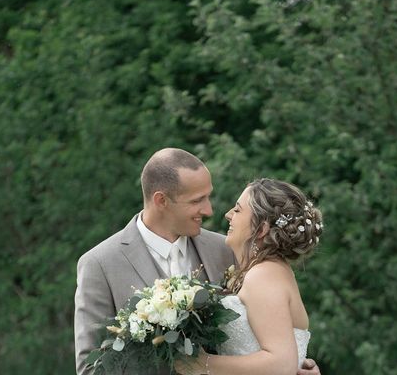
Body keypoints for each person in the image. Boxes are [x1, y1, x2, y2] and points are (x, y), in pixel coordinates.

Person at [74, 148, 321, 375]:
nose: (210, 211)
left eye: (208, 197)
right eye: (196, 200)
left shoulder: (227, 250)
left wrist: (297, 366)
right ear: (161, 200)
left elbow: (272, 333)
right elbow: (91, 368)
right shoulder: (100, 264)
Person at [175, 177, 324, 375]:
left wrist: (204, 364)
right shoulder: (267, 270)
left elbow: (281, 364)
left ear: (261, 229)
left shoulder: (264, 275)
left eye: (237, 210)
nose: (228, 215)